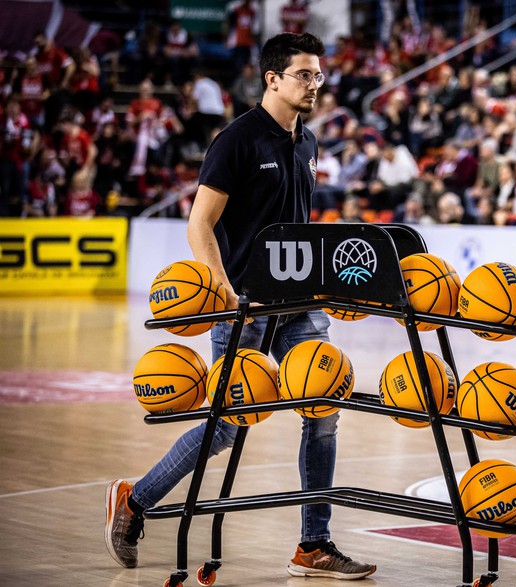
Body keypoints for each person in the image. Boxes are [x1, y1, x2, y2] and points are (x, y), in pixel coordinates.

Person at [104, 33, 376, 581]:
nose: (314, 84)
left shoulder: (310, 142)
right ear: (272, 79)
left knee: (323, 408)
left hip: (298, 303)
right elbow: (199, 224)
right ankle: (136, 501)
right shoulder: (236, 140)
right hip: (242, 303)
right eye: (303, 74)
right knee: (226, 428)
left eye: (318, 75)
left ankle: (313, 544)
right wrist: (224, 289)